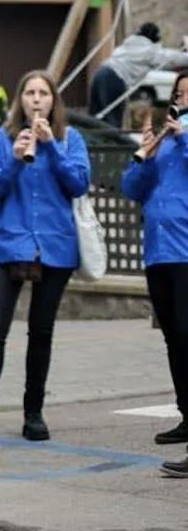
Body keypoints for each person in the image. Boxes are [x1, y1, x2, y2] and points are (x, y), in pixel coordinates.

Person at [0, 70, 90, 445]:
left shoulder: (70, 138)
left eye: (44, 93)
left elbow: (79, 184)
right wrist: (17, 159)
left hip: (55, 245)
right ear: (20, 100)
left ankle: (33, 413)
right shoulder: (1, 140)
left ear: (54, 101)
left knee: (41, 332)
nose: (37, 99)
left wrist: (51, 147)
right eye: (30, 92)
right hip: (9, 244)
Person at [121, 73, 188, 469]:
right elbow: (132, 189)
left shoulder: (180, 137)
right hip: (159, 252)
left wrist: (181, 139)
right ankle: (186, 414)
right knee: (174, 339)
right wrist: (144, 155)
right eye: (178, 93)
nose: (181, 98)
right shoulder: (164, 138)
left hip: (186, 249)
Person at [89, 22, 188, 129]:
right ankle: (113, 143)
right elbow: (174, 59)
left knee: (96, 114)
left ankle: (93, 138)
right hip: (114, 78)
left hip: (100, 73)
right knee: (112, 116)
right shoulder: (148, 51)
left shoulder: (127, 45)